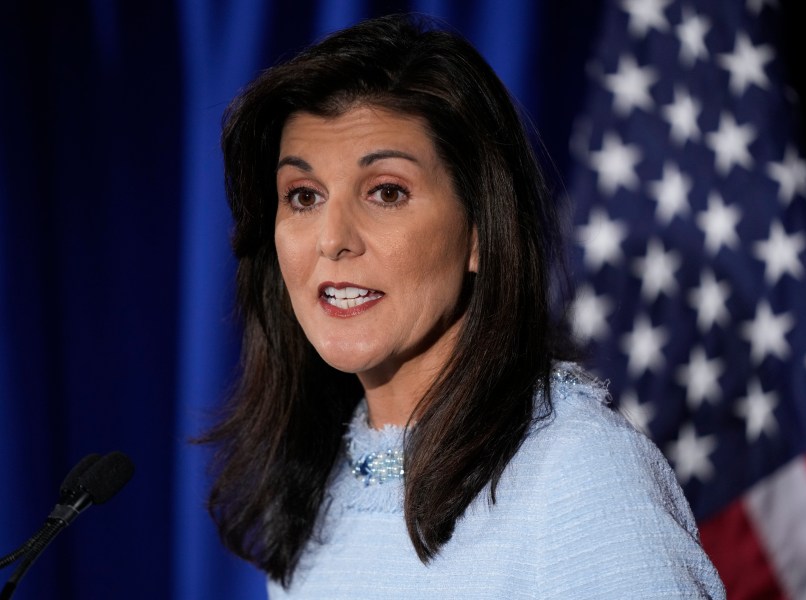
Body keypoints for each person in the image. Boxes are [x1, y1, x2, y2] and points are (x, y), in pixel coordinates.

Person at [203, 13, 725, 599]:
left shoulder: (578, 472)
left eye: (386, 192)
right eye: (303, 196)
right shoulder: (313, 489)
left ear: (480, 231)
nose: (332, 238)